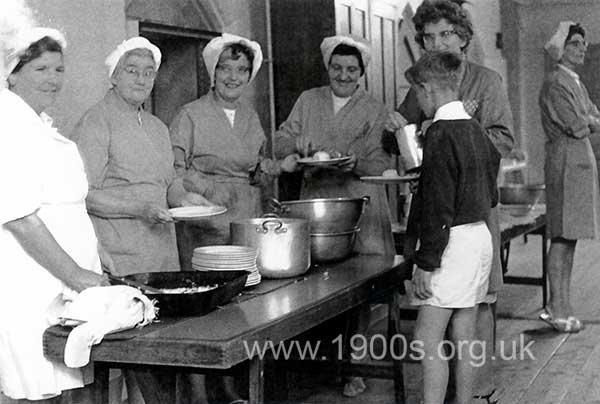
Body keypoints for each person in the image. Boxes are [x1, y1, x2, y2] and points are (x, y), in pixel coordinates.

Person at [382, 1, 514, 400]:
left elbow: (503, 143)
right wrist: (395, 130)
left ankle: (476, 392)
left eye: (446, 35)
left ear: (464, 38)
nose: (436, 43)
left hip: (457, 222)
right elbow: (398, 142)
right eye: (428, 37)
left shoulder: (486, 82)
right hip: (466, 224)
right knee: (463, 321)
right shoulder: (425, 84)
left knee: (445, 325)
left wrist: (447, 141)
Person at [72, 36, 210, 404]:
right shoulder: (96, 122)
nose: (141, 78)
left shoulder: (157, 127)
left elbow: (168, 186)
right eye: (131, 70)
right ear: (113, 76)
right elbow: (83, 194)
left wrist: (187, 199)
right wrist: (140, 209)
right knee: (135, 351)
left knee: (164, 342)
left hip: (162, 251)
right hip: (123, 252)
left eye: (149, 72)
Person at [169, 33, 298, 404]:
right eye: (226, 67)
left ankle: (229, 387)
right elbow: (174, 169)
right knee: (203, 308)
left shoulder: (250, 116)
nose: (234, 76)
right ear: (213, 71)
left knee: (240, 306)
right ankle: (198, 393)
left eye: (242, 69)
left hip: (245, 219)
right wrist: (209, 186)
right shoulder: (189, 115)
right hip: (204, 223)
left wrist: (281, 167)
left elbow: (255, 168)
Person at [273, 34, 394, 397]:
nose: (343, 75)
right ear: (328, 68)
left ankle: (355, 367)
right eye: (337, 68)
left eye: (351, 70)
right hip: (318, 202)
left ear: (362, 73)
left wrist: (357, 161)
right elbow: (279, 140)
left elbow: (386, 162)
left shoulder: (376, 109)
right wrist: (296, 146)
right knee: (317, 286)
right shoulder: (309, 101)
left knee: (361, 286)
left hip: (362, 203)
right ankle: (317, 367)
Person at [0, 24, 110, 402]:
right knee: (37, 389)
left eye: (59, 69)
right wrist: (76, 274)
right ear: (11, 75)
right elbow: (18, 217)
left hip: (62, 280)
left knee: (67, 383)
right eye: (40, 69)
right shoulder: (7, 124)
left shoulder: (37, 123)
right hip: (30, 282)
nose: (53, 79)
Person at [406, 50, 500, 404]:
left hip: (452, 243)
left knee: (426, 338)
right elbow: (488, 191)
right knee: (464, 335)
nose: (417, 102)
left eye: (416, 94)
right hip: (479, 238)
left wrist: (426, 263)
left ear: (427, 89)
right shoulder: (476, 130)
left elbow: (439, 208)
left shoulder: (440, 134)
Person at [538, 21, 600, 333]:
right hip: (564, 162)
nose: (581, 49)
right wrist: (589, 119)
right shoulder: (555, 83)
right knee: (561, 238)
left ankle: (562, 305)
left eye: (583, 44)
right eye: (575, 43)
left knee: (569, 237)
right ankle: (555, 307)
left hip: (576, 162)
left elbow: (592, 116)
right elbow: (579, 125)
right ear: (561, 48)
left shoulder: (574, 81)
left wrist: (589, 119)